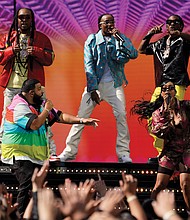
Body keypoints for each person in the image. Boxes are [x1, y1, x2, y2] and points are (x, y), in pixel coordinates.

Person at [1, 78, 99, 217]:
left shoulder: (39, 105)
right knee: (27, 185)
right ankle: (20, 216)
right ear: (30, 93)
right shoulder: (18, 105)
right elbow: (34, 124)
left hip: (34, 156)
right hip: (19, 153)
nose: (42, 92)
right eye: (39, 89)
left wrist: (82, 120)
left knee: (36, 188)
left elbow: (59, 116)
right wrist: (46, 110)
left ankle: (35, 215)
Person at [58, 13, 138, 163]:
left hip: (115, 85)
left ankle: (123, 153)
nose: (110, 25)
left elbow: (133, 54)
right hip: (96, 84)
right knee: (81, 117)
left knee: (121, 115)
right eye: (106, 22)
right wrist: (93, 89)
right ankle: (69, 151)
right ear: (99, 25)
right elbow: (88, 64)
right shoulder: (93, 40)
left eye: (112, 22)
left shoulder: (118, 39)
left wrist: (121, 38)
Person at [0, 8, 56, 155]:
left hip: (34, 87)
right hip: (13, 85)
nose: (24, 20)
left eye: (27, 17)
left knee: (44, 117)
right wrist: (11, 50)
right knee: (7, 117)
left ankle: (51, 152)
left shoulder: (41, 38)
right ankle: (3, 150)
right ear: (16, 20)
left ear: (32, 20)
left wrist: (36, 51)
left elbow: (50, 58)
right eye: (21, 17)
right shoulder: (7, 37)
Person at [131, 80, 190, 216]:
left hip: (187, 149)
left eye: (171, 88)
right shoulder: (158, 113)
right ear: (162, 93)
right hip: (170, 151)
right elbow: (157, 131)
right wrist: (170, 121)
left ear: (175, 92)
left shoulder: (186, 106)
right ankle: (148, 213)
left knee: (185, 184)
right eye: (165, 89)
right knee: (159, 185)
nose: (168, 91)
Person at [138, 14, 190, 157]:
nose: (172, 25)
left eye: (175, 22)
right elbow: (141, 50)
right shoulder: (161, 42)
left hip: (177, 83)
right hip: (161, 86)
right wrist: (149, 34)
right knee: (153, 117)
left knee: (173, 117)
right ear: (166, 26)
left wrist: (180, 34)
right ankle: (162, 151)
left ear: (181, 25)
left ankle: (171, 152)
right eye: (169, 23)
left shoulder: (184, 41)